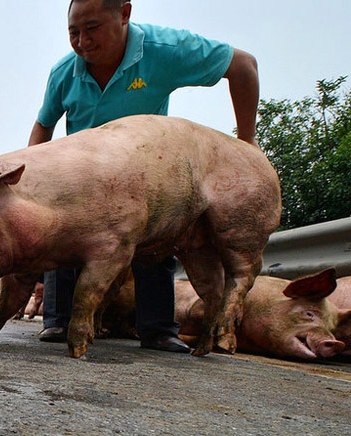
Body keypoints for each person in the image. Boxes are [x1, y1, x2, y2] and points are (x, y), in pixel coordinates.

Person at [31, 0, 259, 353]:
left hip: (146, 177)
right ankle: (58, 319)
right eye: (73, 32)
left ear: (124, 14)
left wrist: (247, 144)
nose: (82, 42)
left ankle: (157, 329)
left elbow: (243, 65)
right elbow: (44, 124)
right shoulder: (64, 72)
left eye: (92, 29)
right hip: (83, 181)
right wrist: (30, 177)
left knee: (157, 240)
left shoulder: (165, 51)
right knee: (63, 235)